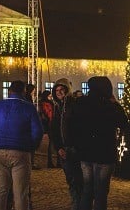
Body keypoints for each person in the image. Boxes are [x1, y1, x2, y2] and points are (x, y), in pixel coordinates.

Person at [0, 80, 43, 210]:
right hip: (21, 152)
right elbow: (38, 131)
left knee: (1, 191)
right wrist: (32, 146)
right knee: (20, 193)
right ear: (24, 91)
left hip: (1, 151)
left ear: (9, 90)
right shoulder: (29, 107)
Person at [65, 76, 128, 210]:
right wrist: (115, 102)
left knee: (87, 189)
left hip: (85, 153)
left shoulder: (80, 103)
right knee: (101, 192)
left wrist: (74, 145)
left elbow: (70, 125)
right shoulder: (109, 105)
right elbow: (123, 122)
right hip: (104, 154)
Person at [50, 78, 82, 210]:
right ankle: (76, 202)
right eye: (56, 90)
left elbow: (79, 127)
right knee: (70, 179)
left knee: (78, 179)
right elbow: (54, 130)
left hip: (75, 149)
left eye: (61, 89)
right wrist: (58, 148)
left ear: (67, 90)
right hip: (63, 150)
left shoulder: (74, 105)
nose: (59, 92)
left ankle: (79, 204)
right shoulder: (57, 107)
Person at [38, 90, 55, 168]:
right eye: (49, 96)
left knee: (51, 143)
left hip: (48, 124)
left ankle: (50, 161)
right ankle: (50, 162)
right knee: (51, 143)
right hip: (49, 125)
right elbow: (49, 114)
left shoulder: (43, 103)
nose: (51, 98)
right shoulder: (46, 104)